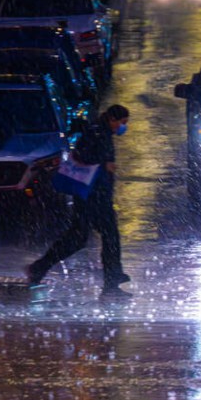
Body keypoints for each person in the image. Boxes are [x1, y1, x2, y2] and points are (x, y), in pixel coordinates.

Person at [26, 104, 132, 298]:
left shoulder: (101, 132)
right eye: (122, 123)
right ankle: (111, 280)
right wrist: (104, 163)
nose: (123, 127)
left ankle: (40, 268)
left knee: (80, 238)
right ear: (112, 120)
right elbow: (84, 156)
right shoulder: (97, 133)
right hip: (93, 196)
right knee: (104, 237)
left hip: (93, 195)